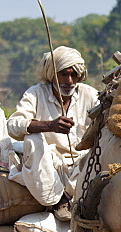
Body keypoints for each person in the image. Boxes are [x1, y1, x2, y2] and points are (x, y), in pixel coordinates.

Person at [6, 46, 98, 220]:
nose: (69, 81)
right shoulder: (36, 93)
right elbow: (12, 125)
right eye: (63, 74)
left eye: (74, 75)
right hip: (49, 164)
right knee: (32, 139)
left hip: (81, 164)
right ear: (52, 75)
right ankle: (59, 201)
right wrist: (48, 125)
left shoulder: (90, 95)